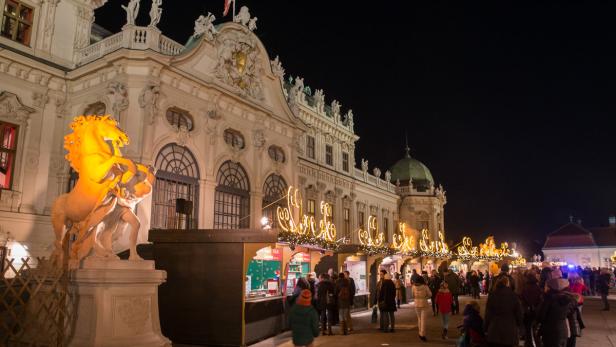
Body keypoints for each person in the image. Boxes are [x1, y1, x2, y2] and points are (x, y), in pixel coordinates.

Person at [536, 278, 577, 347]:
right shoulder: (569, 300)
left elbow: (541, 316)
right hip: (564, 329)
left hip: (550, 331)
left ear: (551, 288)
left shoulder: (548, 300)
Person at [484, 276, 523, 347]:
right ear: (507, 284)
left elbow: (488, 314)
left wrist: (485, 328)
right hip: (509, 330)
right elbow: (519, 314)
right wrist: (519, 326)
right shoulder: (513, 295)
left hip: (494, 330)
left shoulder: (492, 295)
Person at [520, 272, 543, 347]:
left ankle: (528, 343)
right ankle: (536, 343)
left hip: (527, 311)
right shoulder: (537, 288)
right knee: (534, 328)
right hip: (536, 311)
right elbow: (540, 299)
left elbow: (522, 299)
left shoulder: (525, 288)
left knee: (527, 328)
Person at [413, 276, 432, 341]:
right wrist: (426, 297)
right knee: (423, 320)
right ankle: (422, 334)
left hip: (416, 304)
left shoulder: (413, 287)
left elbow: (412, 295)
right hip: (424, 303)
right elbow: (430, 294)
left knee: (419, 319)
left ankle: (420, 332)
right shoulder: (425, 287)